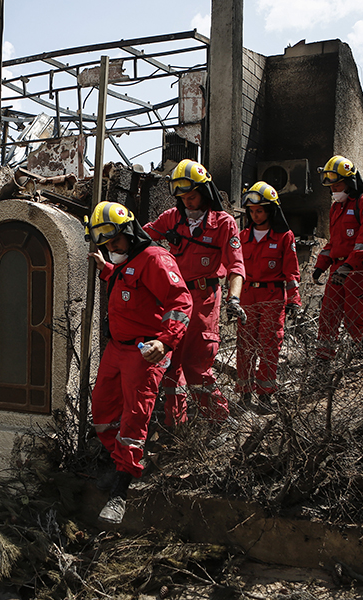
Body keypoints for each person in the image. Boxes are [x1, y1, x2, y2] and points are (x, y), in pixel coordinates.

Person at [87, 200, 193, 525]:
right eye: (106, 242)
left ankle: (120, 492)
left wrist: (165, 341)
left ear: (130, 231)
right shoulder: (125, 261)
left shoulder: (155, 259)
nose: (112, 246)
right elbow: (128, 291)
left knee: (134, 419)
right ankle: (120, 461)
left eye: (115, 240)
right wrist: (106, 267)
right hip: (116, 349)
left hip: (144, 352)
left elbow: (181, 300)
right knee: (102, 410)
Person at [143, 159, 245, 429]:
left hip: (204, 300)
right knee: (170, 364)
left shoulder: (224, 223)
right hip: (174, 300)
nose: (188, 202)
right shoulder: (171, 219)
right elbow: (141, 239)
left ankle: (221, 422)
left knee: (196, 367)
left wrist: (234, 299)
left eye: (192, 196)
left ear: (205, 192)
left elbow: (236, 265)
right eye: (183, 197)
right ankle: (176, 426)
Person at [311, 155, 363, 384]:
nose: (334, 190)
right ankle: (322, 363)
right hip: (339, 269)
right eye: (331, 186)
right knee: (328, 317)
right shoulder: (336, 208)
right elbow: (332, 243)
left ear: (350, 181)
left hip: (359, 269)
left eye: (337, 185)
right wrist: (320, 266)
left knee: (355, 317)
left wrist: (348, 265)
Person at [234, 181, 301, 410]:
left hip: (272, 297)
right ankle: (244, 393)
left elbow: (291, 271)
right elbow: (234, 270)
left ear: (271, 210)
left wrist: (294, 300)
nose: (255, 214)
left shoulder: (284, 237)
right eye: (251, 211)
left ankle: (265, 394)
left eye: (260, 210)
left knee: (269, 345)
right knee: (245, 345)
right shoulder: (241, 237)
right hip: (247, 296)